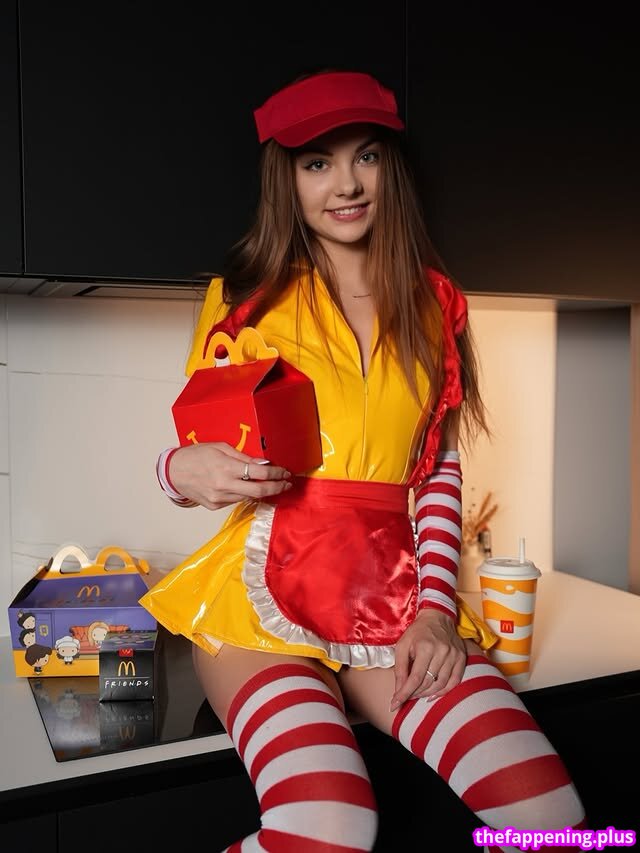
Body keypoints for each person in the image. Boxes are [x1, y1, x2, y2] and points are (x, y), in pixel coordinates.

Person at [140, 68, 586, 852]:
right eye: (317, 163)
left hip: (395, 598)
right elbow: (196, 452)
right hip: (257, 602)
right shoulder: (245, 299)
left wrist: (437, 609)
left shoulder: (435, 303)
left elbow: (436, 471)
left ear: (391, 167)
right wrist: (179, 473)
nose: (345, 184)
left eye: (366, 157)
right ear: (287, 179)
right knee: (330, 824)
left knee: (550, 816)